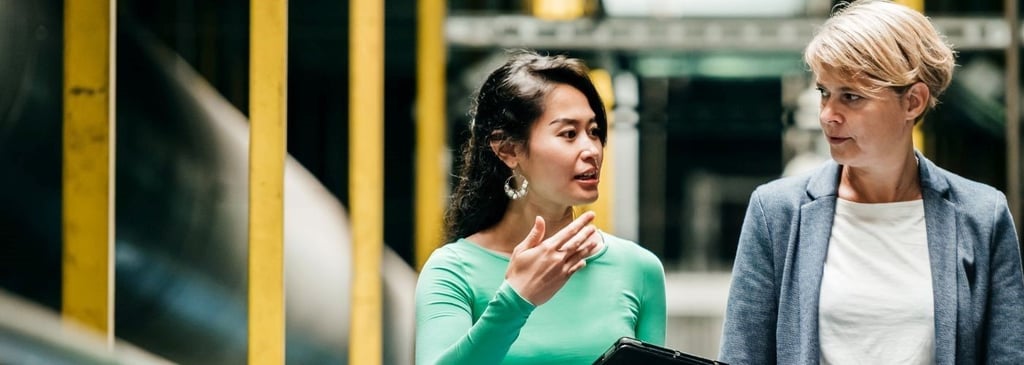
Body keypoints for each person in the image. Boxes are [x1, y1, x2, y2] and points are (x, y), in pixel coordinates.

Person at [719, 1, 1024, 364]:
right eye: (824, 92)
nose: (829, 114)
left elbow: (1008, 357)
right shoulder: (777, 213)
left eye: (851, 96)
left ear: (913, 101)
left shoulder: (982, 216)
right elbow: (742, 358)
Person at [415, 50, 666, 365]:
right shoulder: (452, 271)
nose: (592, 149)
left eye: (595, 132)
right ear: (508, 149)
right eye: (569, 134)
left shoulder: (640, 270)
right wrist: (516, 300)